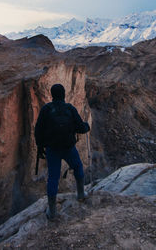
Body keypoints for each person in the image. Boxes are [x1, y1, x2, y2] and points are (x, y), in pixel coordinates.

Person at [35, 83, 90, 220]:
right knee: (77, 166)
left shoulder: (46, 109)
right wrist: (86, 126)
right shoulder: (69, 108)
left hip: (52, 150)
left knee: (53, 177)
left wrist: (40, 146)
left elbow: (38, 130)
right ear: (64, 94)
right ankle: (81, 194)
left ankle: (52, 212)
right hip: (68, 147)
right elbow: (80, 127)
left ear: (52, 95)